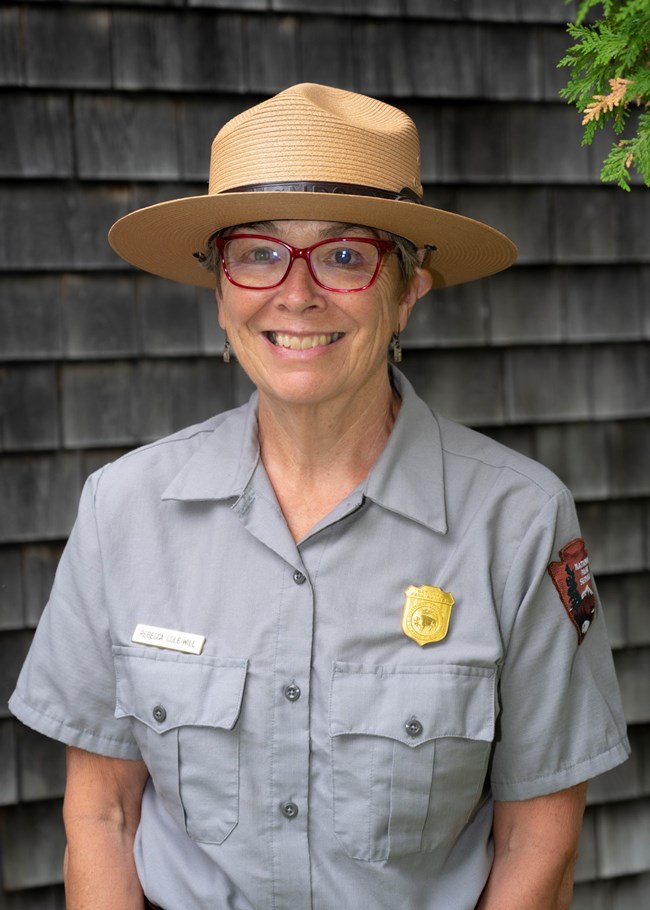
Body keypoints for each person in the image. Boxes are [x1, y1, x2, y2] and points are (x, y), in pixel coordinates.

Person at [10, 83, 629, 910]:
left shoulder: (517, 524)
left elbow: (538, 840)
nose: (295, 295)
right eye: (258, 253)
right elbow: (100, 813)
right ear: (220, 287)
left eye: (344, 256)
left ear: (409, 288)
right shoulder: (122, 510)